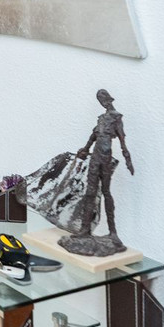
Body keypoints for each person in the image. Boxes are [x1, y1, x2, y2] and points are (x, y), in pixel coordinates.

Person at [61, 89, 135, 256]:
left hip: (105, 158)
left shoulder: (116, 117)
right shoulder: (101, 119)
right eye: (100, 100)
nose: (103, 102)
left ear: (109, 99)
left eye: (103, 99)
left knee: (106, 192)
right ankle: (85, 230)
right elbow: (93, 136)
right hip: (95, 157)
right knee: (90, 193)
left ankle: (113, 232)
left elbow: (122, 141)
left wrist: (128, 159)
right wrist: (85, 149)